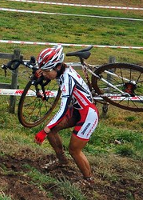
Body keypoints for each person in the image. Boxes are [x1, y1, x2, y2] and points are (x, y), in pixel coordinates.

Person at [34, 45, 99, 184]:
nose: (44, 73)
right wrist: (40, 75)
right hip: (77, 109)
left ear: (57, 67)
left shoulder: (67, 79)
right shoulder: (60, 69)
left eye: (46, 71)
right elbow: (46, 73)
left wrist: (44, 130)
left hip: (88, 113)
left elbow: (63, 109)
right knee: (52, 130)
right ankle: (62, 161)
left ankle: (89, 180)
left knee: (74, 150)